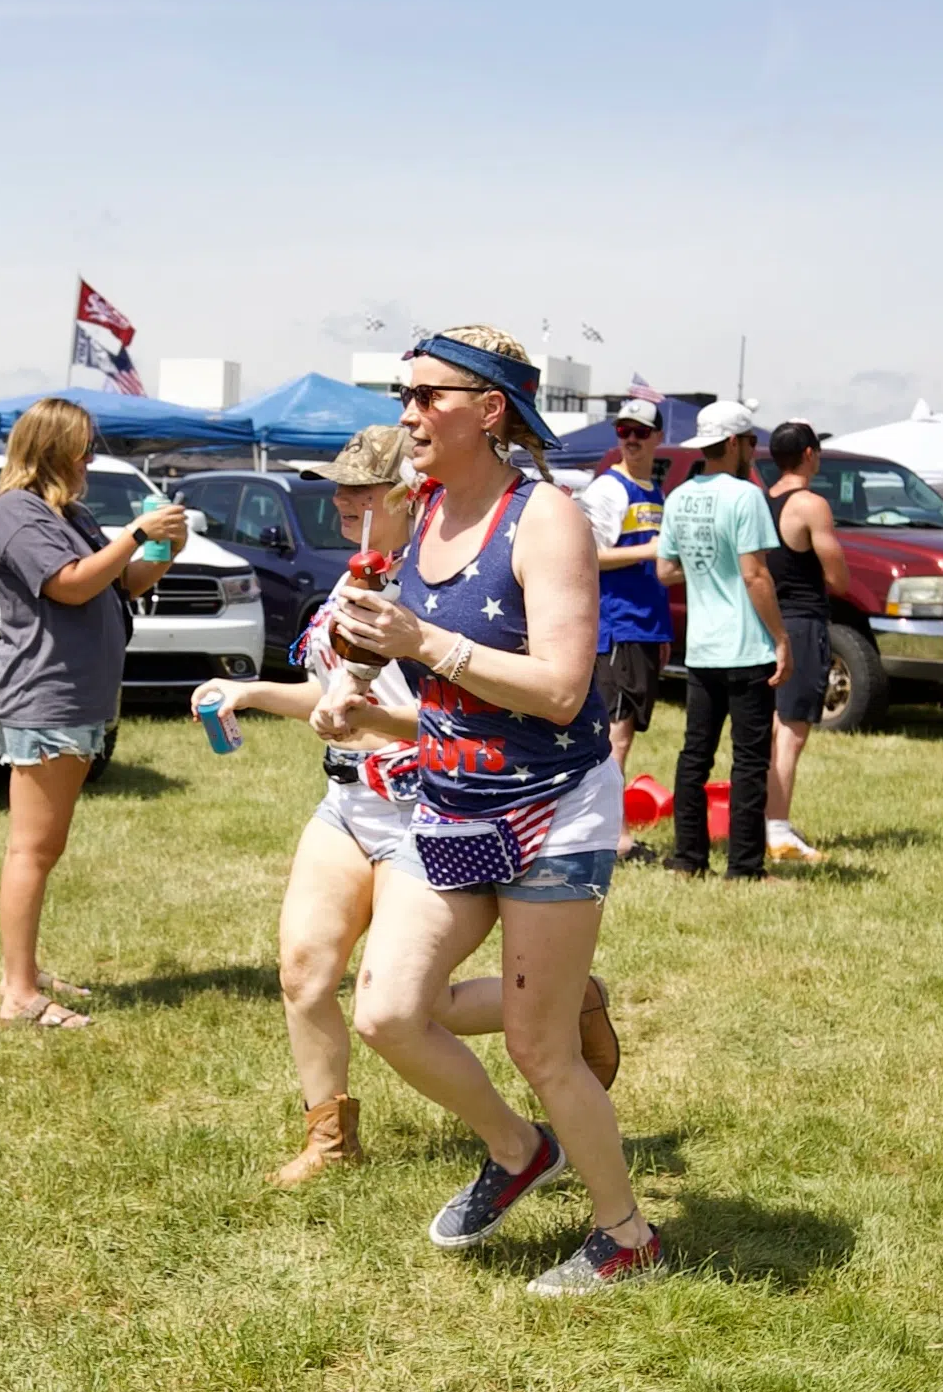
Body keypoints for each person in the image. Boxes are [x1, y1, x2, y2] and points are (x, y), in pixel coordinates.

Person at [324, 325, 656, 1297]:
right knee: (389, 1011)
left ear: (489, 409)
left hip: (554, 807)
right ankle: (518, 1151)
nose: (409, 414)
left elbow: (560, 689)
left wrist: (423, 642)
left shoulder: (544, 518)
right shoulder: (417, 508)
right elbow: (406, 658)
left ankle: (626, 1236)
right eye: (403, 395)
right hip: (453, 802)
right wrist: (358, 696)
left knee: (537, 1047)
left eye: (428, 396)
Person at [193, 427, 619, 1183]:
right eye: (337, 486)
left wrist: (379, 699)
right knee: (303, 970)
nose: (341, 500)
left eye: (361, 489)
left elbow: (465, 714)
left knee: (415, 1004)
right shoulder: (352, 582)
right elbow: (335, 693)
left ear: (411, 492)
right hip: (347, 800)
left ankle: (564, 1011)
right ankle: (330, 1139)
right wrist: (250, 692)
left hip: (422, 800)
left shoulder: (438, 588)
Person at [0, 397, 186, 1029]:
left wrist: (164, 551)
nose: (90, 460)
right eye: (83, 449)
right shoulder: (16, 513)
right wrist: (136, 534)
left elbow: (120, 584)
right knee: (33, 850)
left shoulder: (68, 513)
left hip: (72, 698)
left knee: (44, 847)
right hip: (43, 696)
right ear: (55, 451)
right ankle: (19, 994)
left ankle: (22, 971)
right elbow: (68, 584)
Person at [655, 400, 791, 879]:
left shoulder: (678, 497)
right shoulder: (746, 496)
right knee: (749, 760)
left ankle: (687, 857)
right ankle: (744, 866)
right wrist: (781, 637)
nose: (753, 450)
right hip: (747, 646)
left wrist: (705, 571)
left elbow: (665, 569)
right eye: (751, 442)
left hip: (702, 648)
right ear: (734, 443)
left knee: (695, 755)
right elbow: (755, 575)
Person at [574, 399, 672, 861]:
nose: (630, 439)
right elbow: (589, 556)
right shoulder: (607, 490)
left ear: (657, 437)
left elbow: (658, 570)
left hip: (646, 627)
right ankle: (615, 837)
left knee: (625, 732)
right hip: (616, 625)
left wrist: (663, 631)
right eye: (623, 430)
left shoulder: (655, 491)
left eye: (640, 431)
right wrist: (649, 550)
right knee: (616, 735)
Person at [762, 421, 849, 862]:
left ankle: (763, 820)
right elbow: (838, 576)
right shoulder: (811, 505)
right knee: (792, 731)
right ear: (810, 454)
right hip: (800, 623)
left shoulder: (761, 500)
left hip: (764, 620)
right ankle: (777, 830)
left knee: (768, 728)